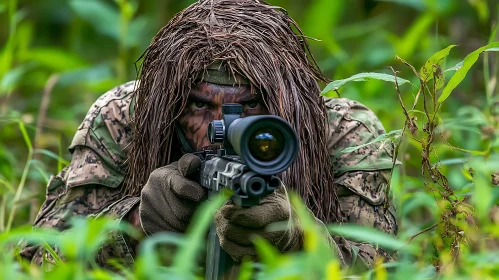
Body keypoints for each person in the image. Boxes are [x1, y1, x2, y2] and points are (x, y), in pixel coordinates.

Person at [21, 0, 398, 273]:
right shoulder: (125, 115)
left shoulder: (343, 129)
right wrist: (133, 223)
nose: (220, 127)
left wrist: (301, 239)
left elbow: (385, 269)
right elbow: (38, 262)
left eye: (249, 106)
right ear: (169, 102)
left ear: (285, 101)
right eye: (200, 106)